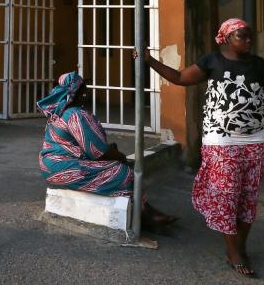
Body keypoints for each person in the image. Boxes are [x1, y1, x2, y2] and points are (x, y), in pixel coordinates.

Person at [139, 18, 264, 277]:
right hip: (222, 139)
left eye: (250, 37)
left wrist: (251, 106)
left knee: (248, 196)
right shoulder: (212, 61)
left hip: (258, 139)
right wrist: (150, 62)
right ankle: (233, 250)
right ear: (226, 38)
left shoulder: (259, 65)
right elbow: (181, 78)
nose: (249, 41)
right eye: (242, 36)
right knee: (227, 194)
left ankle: (241, 246)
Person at [37, 71, 177, 231]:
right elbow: (98, 152)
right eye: (84, 88)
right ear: (78, 91)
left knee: (116, 166)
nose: (87, 92)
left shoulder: (59, 112)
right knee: (122, 172)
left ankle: (146, 211)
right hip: (63, 167)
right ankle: (146, 216)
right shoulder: (75, 114)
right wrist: (119, 156)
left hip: (50, 166)